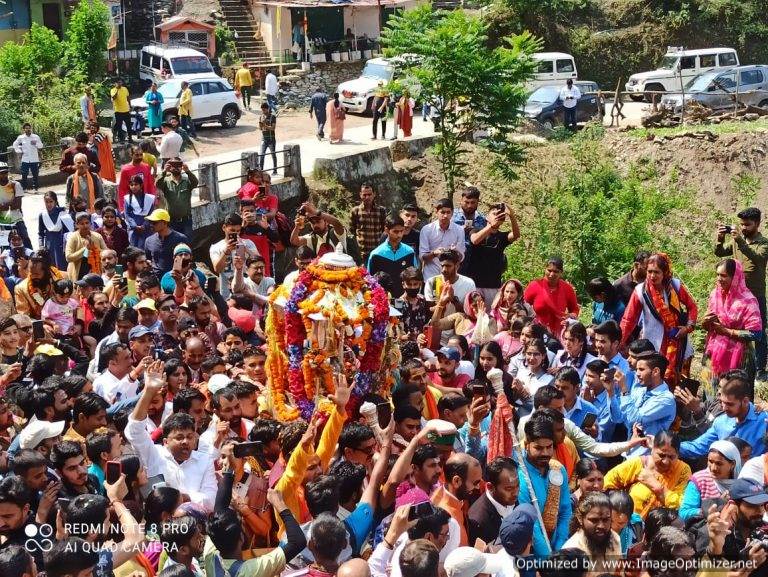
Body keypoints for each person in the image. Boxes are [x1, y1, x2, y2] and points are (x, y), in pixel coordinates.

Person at [620, 252, 698, 386]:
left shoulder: (675, 286)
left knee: (677, 381)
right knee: (651, 380)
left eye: (657, 272)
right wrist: (619, 342)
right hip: (652, 342)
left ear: (665, 272)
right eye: (649, 271)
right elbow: (629, 319)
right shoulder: (640, 291)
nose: (652, 276)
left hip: (677, 341)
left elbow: (692, 307)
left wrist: (688, 327)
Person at [715, 207, 768, 379]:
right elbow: (720, 253)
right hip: (737, 296)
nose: (744, 228)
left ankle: (760, 368)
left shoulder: (764, 243)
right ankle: (737, 362)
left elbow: (759, 259)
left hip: (756, 294)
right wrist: (720, 239)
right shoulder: (739, 240)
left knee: (759, 332)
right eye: (742, 224)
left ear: (757, 224)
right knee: (735, 329)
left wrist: (741, 242)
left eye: (747, 224)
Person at [678, 370, 767, 460]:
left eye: (730, 404)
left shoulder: (764, 422)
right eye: (723, 402)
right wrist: (671, 446)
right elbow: (698, 447)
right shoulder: (721, 421)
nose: (724, 408)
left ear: (745, 401)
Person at [603, 430, 691, 519]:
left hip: (663, 528)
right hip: (630, 524)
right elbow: (606, 484)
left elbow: (683, 504)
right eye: (661, 455)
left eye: (671, 457)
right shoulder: (638, 464)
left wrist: (657, 487)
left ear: (678, 455)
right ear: (652, 449)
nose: (666, 461)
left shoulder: (683, 471)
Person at [517, 417, 572, 556]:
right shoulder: (520, 476)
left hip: (557, 548)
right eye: (539, 448)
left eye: (549, 447)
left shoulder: (558, 469)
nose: (545, 453)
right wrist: (548, 559)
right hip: (531, 553)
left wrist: (560, 546)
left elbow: (565, 511)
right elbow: (531, 525)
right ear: (526, 444)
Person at [701, 259, 763, 381]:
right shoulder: (715, 295)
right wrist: (705, 322)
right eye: (717, 274)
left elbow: (756, 334)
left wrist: (726, 331)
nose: (719, 279)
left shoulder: (748, 300)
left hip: (738, 358)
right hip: (713, 351)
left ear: (735, 277)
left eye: (723, 275)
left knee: (733, 396)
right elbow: (710, 324)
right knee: (710, 395)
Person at [463, 203, 520, 305]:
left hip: (493, 285)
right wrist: (490, 226)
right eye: (494, 214)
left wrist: (512, 216)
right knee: (473, 313)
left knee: (490, 315)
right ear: (487, 217)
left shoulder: (502, 236)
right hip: (474, 284)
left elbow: (516, 235)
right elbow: (475, 240)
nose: (497, 216)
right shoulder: (476, 230)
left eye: (500, 215)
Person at [679, 439, 741, 521]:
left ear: (732, 464)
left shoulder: (741, 483)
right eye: (710, 462)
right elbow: (684, 512)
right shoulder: (700, 480)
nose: (713, 468)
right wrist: (713, 507)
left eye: (719, 463)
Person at [562, 492, 622, 573]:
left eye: (606, 520)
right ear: (580, 518)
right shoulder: (571, 552)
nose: (601, 526)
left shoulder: (615, 538)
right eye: (594, 520)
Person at [523, 257, 580, 338]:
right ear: (545, 269)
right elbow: (523, 306)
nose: (552, 274)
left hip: (560, 332)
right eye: (549, 270)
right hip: (537, 332)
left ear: (561, 273)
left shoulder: (567, 289)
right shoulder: (535, 285)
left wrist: (572, 315)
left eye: (556, 271)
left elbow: (575, 309)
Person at [467, 456, 519, 544]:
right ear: (490, 487)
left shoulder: (511, 500)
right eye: (509, 489)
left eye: (517, 486)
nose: (516, 493)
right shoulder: (478, 520)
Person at [368, 216, 417, 295]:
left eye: (401, 231)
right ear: (386, 230)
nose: (399, 235)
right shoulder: (376, 254)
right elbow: (370, 280)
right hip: (383, 300)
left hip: (405, 299)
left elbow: (414, 276)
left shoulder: (409, 252)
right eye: (396, 232)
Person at [420, 198, 466, 281]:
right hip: (431, 277)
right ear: (436, 212)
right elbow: (422, 257)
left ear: (452, 213)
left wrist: (456, 251)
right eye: (442, 212)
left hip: (450, 277)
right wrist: (434, 253)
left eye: (448, 212)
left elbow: (461, 257)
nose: (445, 215)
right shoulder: (426, 230)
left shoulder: (459, 230)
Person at [155, 158, 198, 238]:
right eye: (173, 166)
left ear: (181, 167)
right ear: (170, 167)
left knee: (187, 243)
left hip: (186, 221)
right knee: (172, 243)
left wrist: (188, 171)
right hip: (171, 221)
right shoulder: (166, 182)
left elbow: (195, 183)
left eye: (178, 166)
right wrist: (164, 171)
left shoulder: (186, 181)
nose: (176, 168)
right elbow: (157, 184)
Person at [144, 209, 190, 276]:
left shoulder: (181, 239)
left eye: (154, 223)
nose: (151, 225)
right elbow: (148, 259)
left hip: (176, 278)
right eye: (150, 222)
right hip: (157, 280)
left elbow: (188, 260)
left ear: (165, 223)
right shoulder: (149, 241)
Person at [350, 183, 386, 265]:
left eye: (369, 194)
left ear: (374, 194)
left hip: (378, 252)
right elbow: (352, 232)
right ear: (360, 195)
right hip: (362, 254)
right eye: (364, 195)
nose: (367, 197)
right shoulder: (355, 211)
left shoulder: (381, 210)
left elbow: (384, 231)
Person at [65, 212, 106, 280]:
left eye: (87, 223)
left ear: (90, 223)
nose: (85, 225)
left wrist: (95, 249)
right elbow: (68, 257)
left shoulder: (97, 236)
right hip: (79, 272)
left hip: (96, 270)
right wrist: (85, 249)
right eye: (82, 224)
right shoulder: (73, 238)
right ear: (77, 225)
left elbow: (105, 252)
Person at [117, 145, 156, 212]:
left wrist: (153, 201)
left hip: (145, 202)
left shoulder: (146, 167)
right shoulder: (126, 169)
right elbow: (122, 189)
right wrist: (122, 207)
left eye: (141, 154)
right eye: (137, 155)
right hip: (132, 203)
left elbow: (150, 185)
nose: (139, 157)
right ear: (131, 155)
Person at [123, 174, 156, 250]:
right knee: (134, 248)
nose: (133, 187)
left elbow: (151, 213)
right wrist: (134, 225)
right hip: (134, 228)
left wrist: (144, 225)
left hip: (146, 228)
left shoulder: (149, 198)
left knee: (146, 247)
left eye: (136, 184)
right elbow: (127, 214)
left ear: (141, 185)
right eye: (131, 185)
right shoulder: (127, 199)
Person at [38, 191, 68, 271]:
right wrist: (41, 245)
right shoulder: (42, 215)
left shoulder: (62, 213)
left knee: (63, 267)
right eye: (46, 202)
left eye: (51, 201)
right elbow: (40, 233)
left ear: (55, 201)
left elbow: (68, 230)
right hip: (49, 246)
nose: (49, 204)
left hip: (62, 245)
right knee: (52, 269)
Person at [12, 123, 43, 191]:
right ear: (24, 130)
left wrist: (35, 143)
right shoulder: (21, 137)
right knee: (24, 174)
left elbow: (41, 146)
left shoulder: (35, 137)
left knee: (35, 174)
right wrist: (19, 151)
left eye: (29, 128)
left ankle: (35, 188)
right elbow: (15, 144)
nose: (28, 129)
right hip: (25, 159)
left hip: (34, 159)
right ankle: (24, 188)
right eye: (26, 128)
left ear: (30, 128)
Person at [258, 102, 278, 175]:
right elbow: (260, 128)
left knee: (273, 154)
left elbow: (273, 128)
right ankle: (261, 171)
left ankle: (275, 170)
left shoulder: (273, 117)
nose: (263, 111)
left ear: (267, 109)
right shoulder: (261, 117)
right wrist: (261, 125)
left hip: (271, 139)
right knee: (262, 155)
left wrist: (265, 126)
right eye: (262, 110)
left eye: (264, 110)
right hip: (264, 139)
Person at [111, 78, 133, 142]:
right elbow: (113, 98)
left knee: (128, 125)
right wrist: (117, 90)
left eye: (120, 82)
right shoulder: (113, 90)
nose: (120, 84)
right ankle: (121, 139)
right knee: (119, 126)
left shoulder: (125, 89)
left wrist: (130, 105)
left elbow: (128, 97)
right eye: (118, 83)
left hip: (126, 110)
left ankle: (130, 138)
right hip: (118, 111)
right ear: (115, 83)